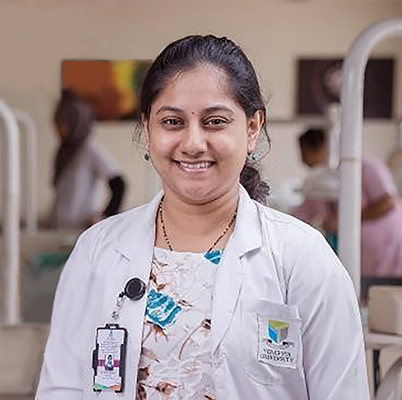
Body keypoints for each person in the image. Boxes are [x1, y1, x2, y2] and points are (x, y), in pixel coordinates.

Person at [36, 35, 369, 399]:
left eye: (214, 121)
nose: (193, 143)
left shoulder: (302, 257)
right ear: (147, 130)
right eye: (172, 122)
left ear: (253, 128)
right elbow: (62, 387)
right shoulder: (96, 250)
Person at [294, 127, 402, 281]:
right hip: (357, 250)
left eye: (304, 153)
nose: (303, 160)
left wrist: (346, 221)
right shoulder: (322, 181)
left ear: (321, 147)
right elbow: (304, 212)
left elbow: (388, 202)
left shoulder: (366, 166)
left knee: (380, 289)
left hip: (385, 244)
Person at [47, 89, 126, 229]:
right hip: (60, 229)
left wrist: (105, 216)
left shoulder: (89, 149)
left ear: (74, 121)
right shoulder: (64, 152)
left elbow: (119, 184)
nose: (56, 128)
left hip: (82, 229)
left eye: (61, 122)